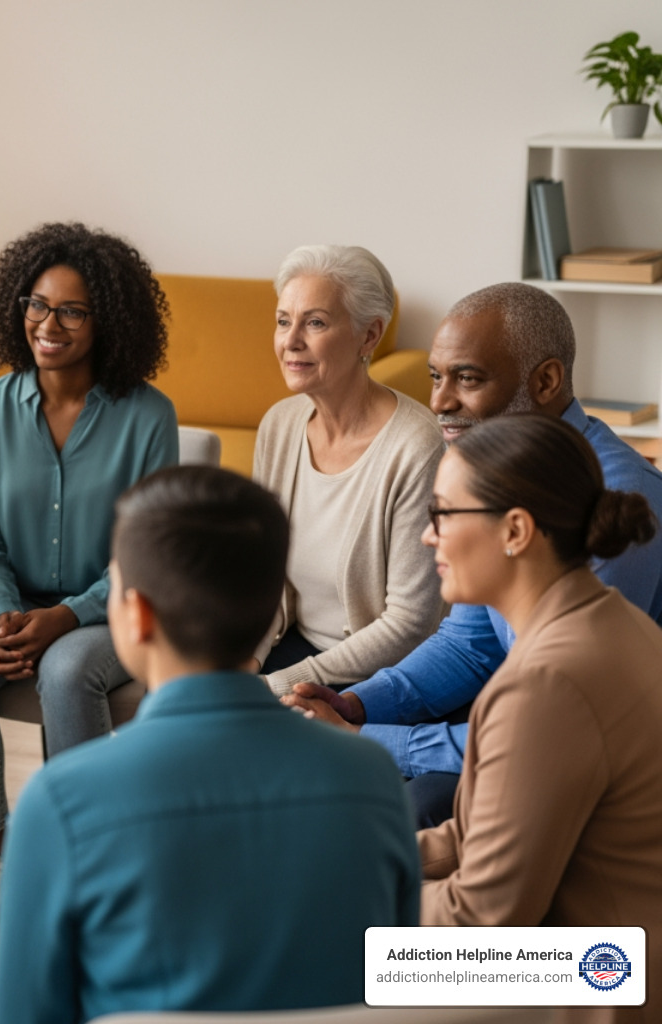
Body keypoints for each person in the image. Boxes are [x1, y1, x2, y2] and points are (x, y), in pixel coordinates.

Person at [0, 466, 418, 1024]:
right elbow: (393, 973)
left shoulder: (62, 802)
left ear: (138, 615)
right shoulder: (372, 777)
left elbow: (26, 1014)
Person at [286, 282, 662, 827]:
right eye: (436, 377)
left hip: (593, 761)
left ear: (547, 381)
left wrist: (367, 738)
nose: (439, 402)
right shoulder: (493, 470)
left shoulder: (613, 500)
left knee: (410, 809)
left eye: (468, 378)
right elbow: (470, 646)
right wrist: (357, 705)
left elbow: (551, 730)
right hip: (525, 717)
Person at [0, 222, 179, 940]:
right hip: (17, 599)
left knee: (68, 675)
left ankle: (86, 867)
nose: (49, 324)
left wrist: (64, 618)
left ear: (108, 321)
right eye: (37, 305)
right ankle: (0, 858)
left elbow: (145, 555)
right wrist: (8, 616)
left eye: (72, 310)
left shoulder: (148, 417)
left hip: (117, 609)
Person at [410, 415, 662, 1023]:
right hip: (610, 961)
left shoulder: (545, 683)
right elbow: (478, 839)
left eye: (442, 513)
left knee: (304, 961)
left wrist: (326, 898)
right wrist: (345, 855)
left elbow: (481, 922)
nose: (427, 536)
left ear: (516, 531)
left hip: (589, 983)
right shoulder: (609, 621)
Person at [251, 244, 444, 694]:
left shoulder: (418, 447)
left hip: (383, 672)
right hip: (292, 645)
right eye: (283, 321)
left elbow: (409, 624)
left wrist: (279, 685)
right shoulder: (279, 425)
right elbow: (261, 573)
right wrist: (249, 658)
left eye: (315, 322)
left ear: (369, 335)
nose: (290, 341)